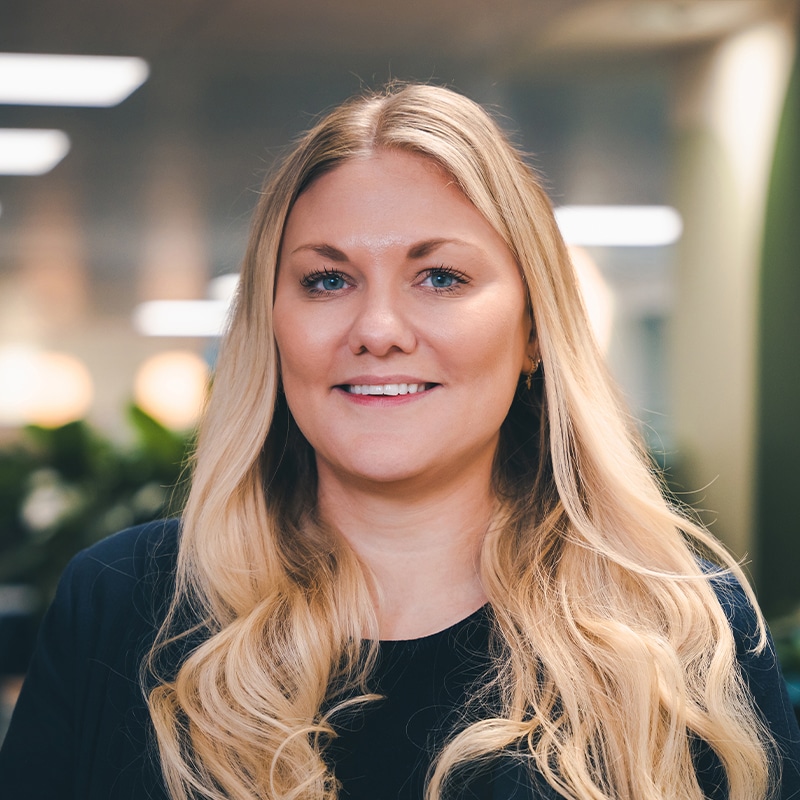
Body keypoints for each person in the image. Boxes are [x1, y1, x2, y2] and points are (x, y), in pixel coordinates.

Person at [1, 82, 798, 800]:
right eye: (327, 280)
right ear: (271, 327)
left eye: (441, 277)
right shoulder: (122, 602)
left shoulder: (683, 626)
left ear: (533, 331)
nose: (377, 330)